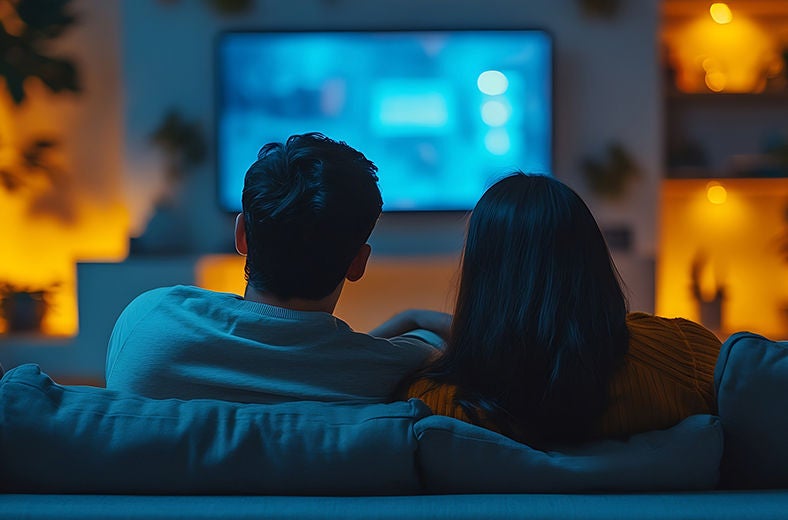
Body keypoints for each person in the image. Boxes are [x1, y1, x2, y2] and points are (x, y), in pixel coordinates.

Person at [105, 133, 443, 403]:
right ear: (358, 263)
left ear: (242, 237)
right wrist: (415, 321)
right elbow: (333, 358)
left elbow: (276, 355)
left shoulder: (147, 323)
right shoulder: (390, 371)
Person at [389, 172, 720, 447]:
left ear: (483, 277)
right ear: (591, 259)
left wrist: (410, 320)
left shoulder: (435, 406)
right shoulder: (681, 354)